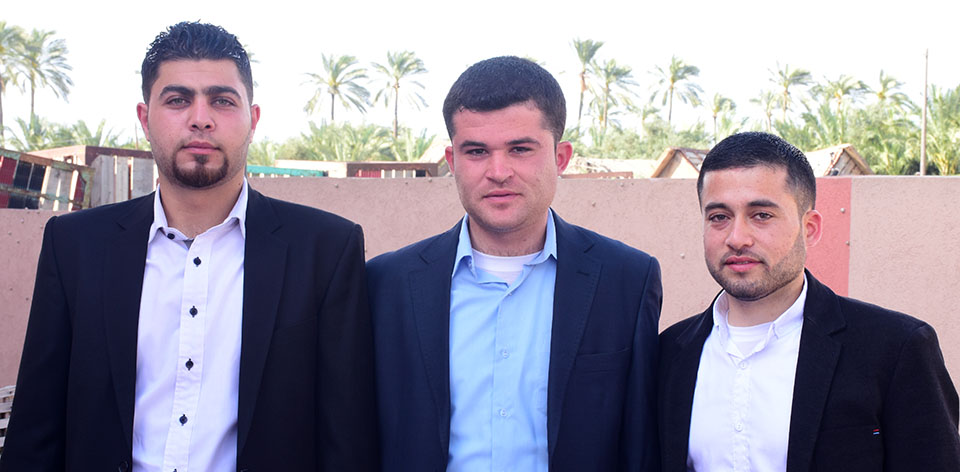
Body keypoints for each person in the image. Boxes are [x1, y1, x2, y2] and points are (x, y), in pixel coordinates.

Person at [0, 21, 378, 471]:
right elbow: (36, 428)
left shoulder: (325, 250)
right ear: (145, 119)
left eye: (222, 100)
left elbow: (346, 438)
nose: (201, 117)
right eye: (178, 100)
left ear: (253, 120)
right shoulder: (75, 246)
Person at [367, 56, 662, 471]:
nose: (498, 171)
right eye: (476, 151)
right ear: (452, 162)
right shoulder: (385, 285)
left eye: (520, 149)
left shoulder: (626, 281)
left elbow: (639, 445)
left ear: (561, 157)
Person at [658, 131, 960, 471]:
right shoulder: (668, 355)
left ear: (810, 228)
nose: (737, 238)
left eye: (761, 215)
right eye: (719, 217)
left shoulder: (895, 349)